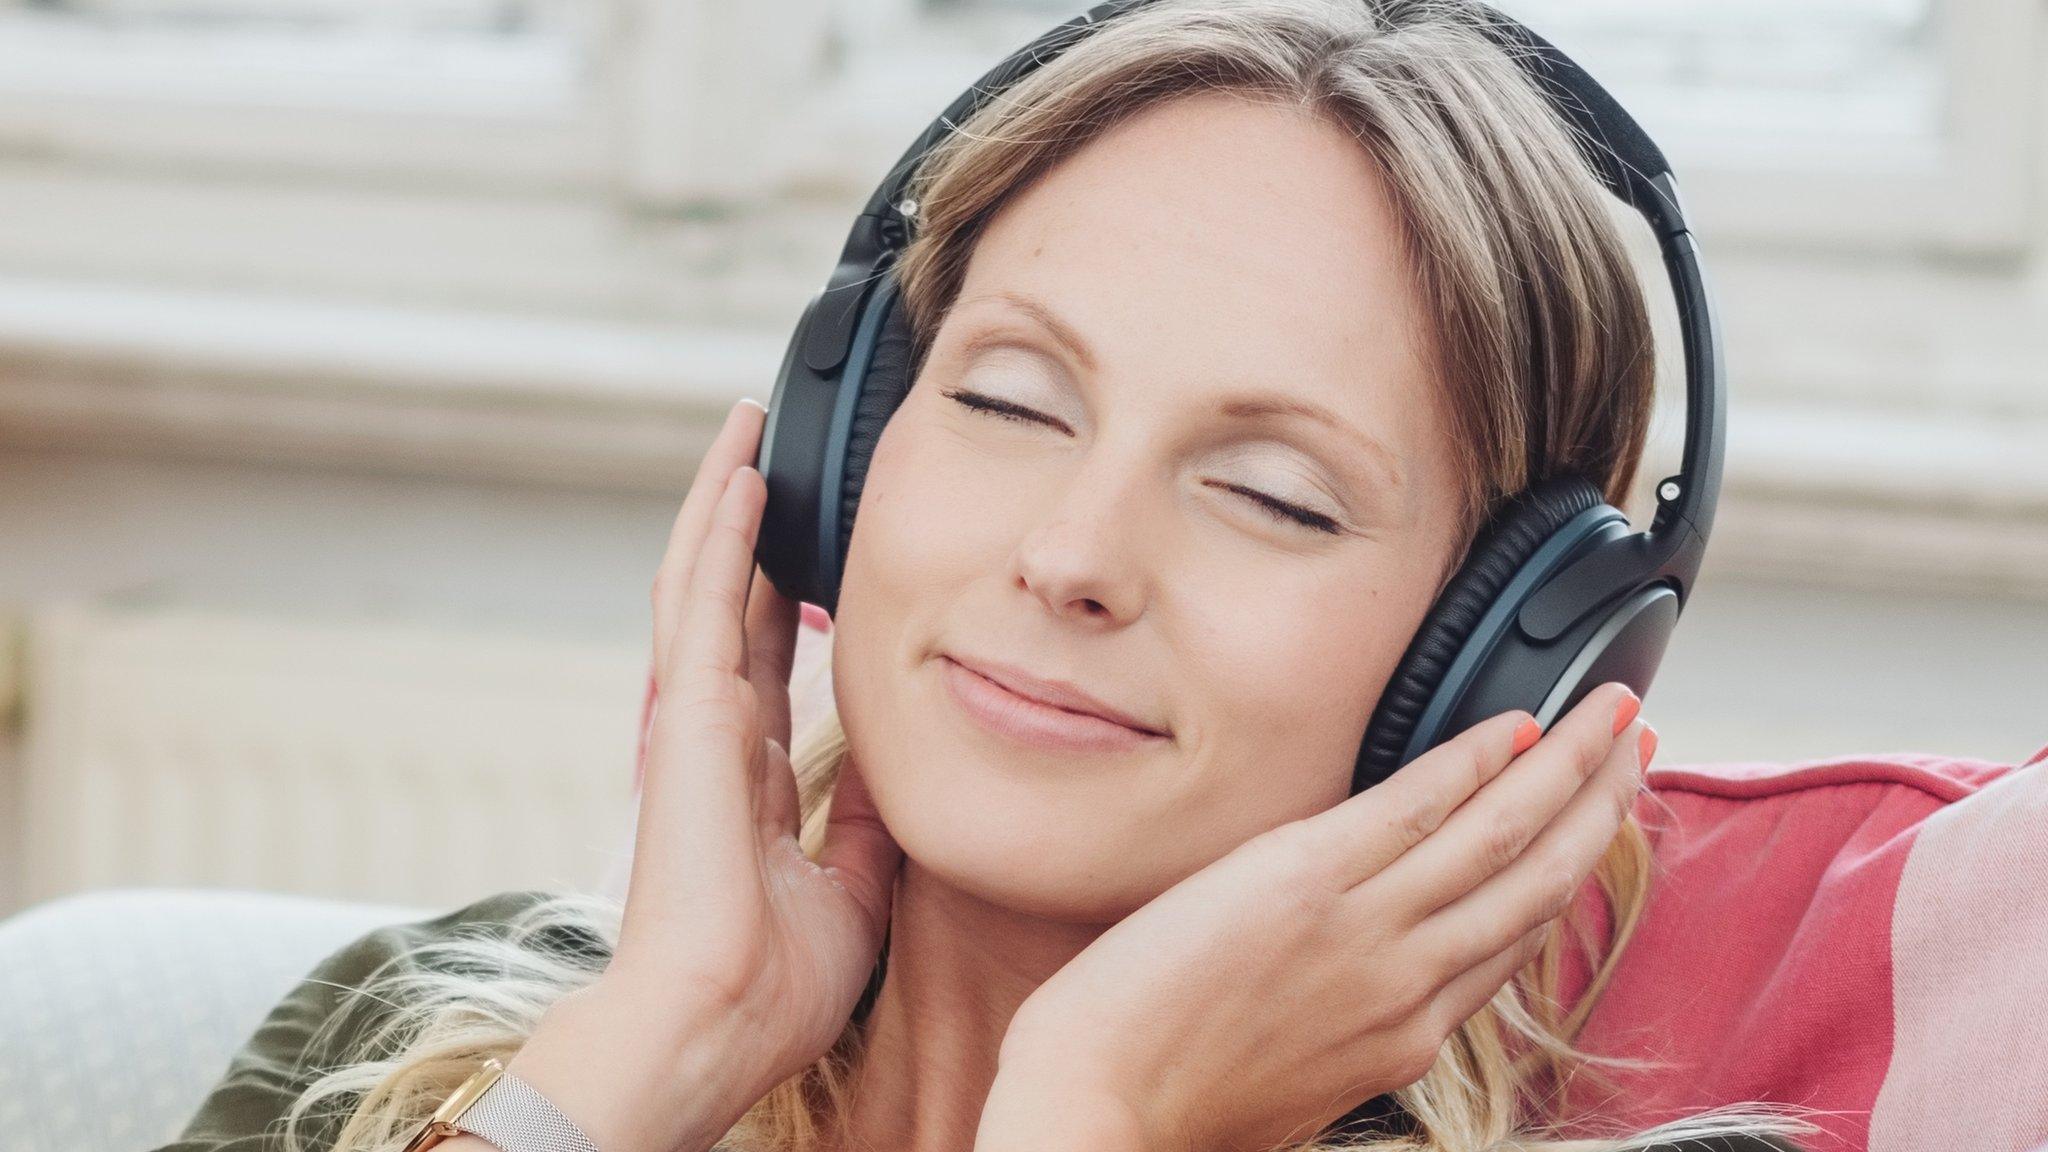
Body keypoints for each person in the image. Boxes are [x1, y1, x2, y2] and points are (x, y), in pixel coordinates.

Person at [157, 2, 1825, 1150]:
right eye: (1013, 399)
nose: (1074, 555)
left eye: (1271, 494)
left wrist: (1092, 1117)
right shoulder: (415, 1045)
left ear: (1510, 659)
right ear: (845, 443)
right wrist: (645, 1059)